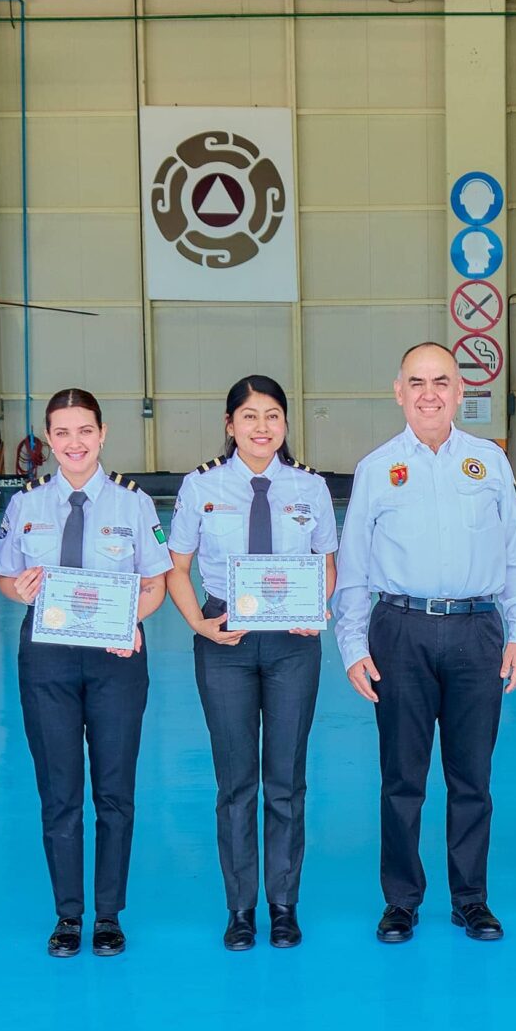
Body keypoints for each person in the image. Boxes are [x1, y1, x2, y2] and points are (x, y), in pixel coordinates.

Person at [333, 342, 516, 945]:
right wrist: (351, 644)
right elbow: (354, 567)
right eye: (417, 382)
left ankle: (471, 898)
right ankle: (401, 900)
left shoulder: (491, 464)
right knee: (403, 777)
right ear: (398, 391)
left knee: (472, 777)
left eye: (441, 382)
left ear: (460, 392)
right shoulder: (376, 469)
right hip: (400, 630)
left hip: (477, 629)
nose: (429, 394)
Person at [0, 389, 170, 960]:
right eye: (62, 433)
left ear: (103, 434)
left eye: (85, 431)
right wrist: (15, 588)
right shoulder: (25, 506)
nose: (74, 443)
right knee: (59, 791)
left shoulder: (134, 505)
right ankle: (68, 915)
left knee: (115, 791)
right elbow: (5, 577)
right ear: (49, 440)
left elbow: (156, 586)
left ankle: (109, 915)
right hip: (47, 657)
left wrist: (129, 621)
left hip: (116, 660)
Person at [166, 375, 339, 952]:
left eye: (272, 416)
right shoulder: (200, 487)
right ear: (229, 424)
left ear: (285, 424)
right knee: (235, 781)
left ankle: (283, 906)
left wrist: (318, 607)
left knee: (286, 780)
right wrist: (196, 622)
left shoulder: (310, 488)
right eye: (249, 416)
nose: (261, 427)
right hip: (226, 642)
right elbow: (177, 564)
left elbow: (327, 561)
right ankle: (240, 908)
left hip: (292, 641)